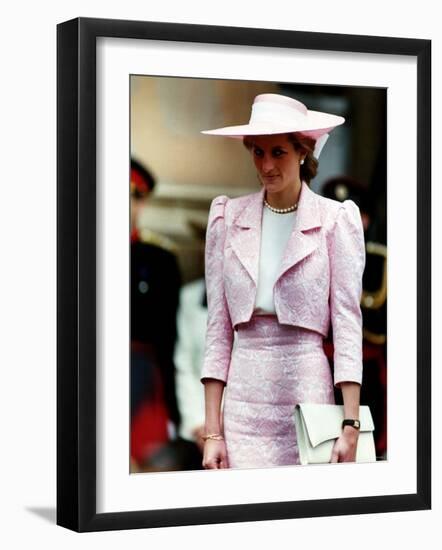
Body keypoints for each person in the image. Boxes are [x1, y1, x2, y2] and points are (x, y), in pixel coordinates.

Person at [199, 93, 366, 470]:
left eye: (278, 152)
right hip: (242, 406)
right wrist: (213, 432)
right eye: (257, 152)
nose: (266, 165)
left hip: (307, 397)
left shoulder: (334, 220)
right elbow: (218, 329)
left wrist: (351, 423)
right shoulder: (227, 217)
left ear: (303, 151)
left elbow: (347, 323)